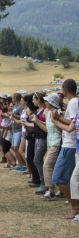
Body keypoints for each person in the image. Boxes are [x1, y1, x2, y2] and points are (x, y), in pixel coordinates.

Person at [50, 79, 79, 219]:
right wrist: (60, 117)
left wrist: (56, 119)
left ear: (64, 90)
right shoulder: (74, 102)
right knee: (67, 178)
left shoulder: (73, 102)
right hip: (69, 144)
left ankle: (76, 207)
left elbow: (73, 124)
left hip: (70, 145)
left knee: (59, 178)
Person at [30, 93, 62, 197]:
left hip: (56, 143)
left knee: (47, 165)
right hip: (50, 142)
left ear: (52, 103)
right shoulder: (48, 113)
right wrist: (36, 120)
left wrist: (54, 119)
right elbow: (47, 128)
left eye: (47, 101)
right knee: (54, 166)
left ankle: (51, 190)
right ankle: (59, 189)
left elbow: (60, 130)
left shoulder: (58, 113)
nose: (46, 102)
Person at [8, 93, 26, 170]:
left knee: (16, 148)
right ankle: (20, 165)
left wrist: (13, 115)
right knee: (14, 148)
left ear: (15, 98)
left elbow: (21, 117)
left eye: (12, 98)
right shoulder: (15, 106)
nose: (12, 99)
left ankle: (23, 165)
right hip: (14, 130)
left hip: (19, 130)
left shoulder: (20, 107)